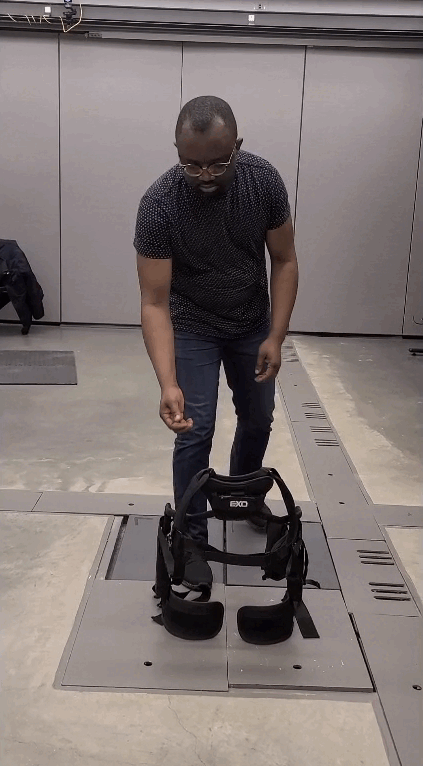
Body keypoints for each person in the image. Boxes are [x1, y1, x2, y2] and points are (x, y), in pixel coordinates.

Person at [134, 96, 298, 591]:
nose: (205, 175)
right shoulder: (160, 203)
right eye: (192, 164)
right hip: (192, 325)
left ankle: (243, 496)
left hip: (251, 321)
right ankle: (190, 538)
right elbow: (154, 302)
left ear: (237, 147)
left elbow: (284, 260)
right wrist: (167, 382)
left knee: (258, 418)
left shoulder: (263, 181)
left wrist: (276, 335)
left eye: (218, 163)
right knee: (193, 428)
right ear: (177, 151)